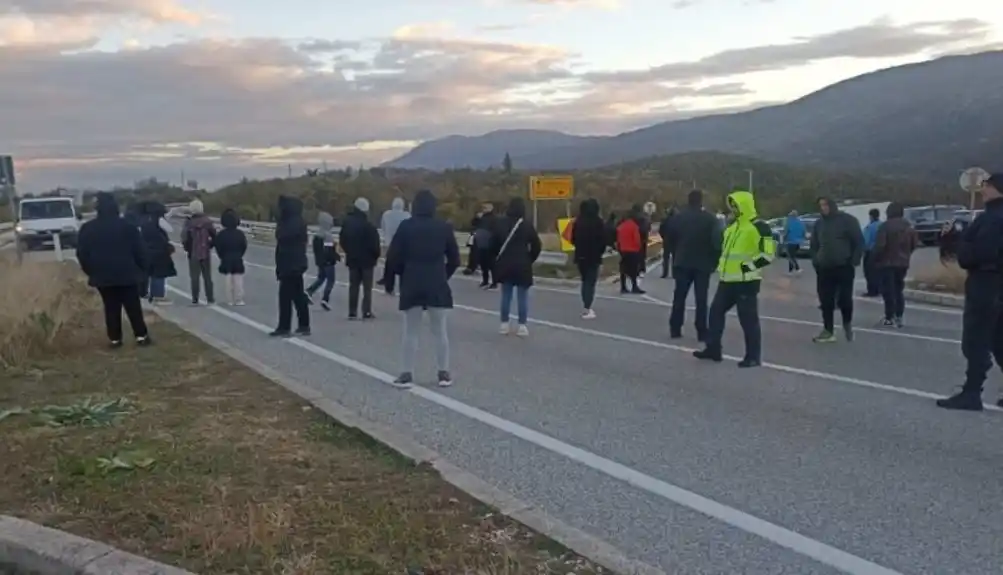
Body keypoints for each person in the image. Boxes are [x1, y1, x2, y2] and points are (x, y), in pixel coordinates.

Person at [937, 173, 1003, 411]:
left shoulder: (992, 219)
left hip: (986, 284)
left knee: (976, 340)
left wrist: (956, 240)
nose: (983, 190)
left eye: (987, 186)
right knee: (999, 339)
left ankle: (972, 393)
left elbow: (975, 255)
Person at [384, 189, 461, 388]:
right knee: (440, 331)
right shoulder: (443, 227)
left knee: (411, 331)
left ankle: (406, 373)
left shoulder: (406, 227)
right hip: (436, 281)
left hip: (412, 282)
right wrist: (444, 274)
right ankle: (443, 372)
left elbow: (393, 258)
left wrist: (394, 279)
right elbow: (455, 259)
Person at [693, 190, 775, 367]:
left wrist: (748, 267)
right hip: (727, 281)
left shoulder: (760, 226)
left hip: (746, 282)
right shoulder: (732, 227)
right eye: (732, 206)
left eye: (736, 205)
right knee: (714, 314)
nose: (733, 209)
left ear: (744, 205)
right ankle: (713, 349)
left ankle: (753, 357)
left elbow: (768, 254)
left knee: (748, 321)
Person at [75, 192, 151, 348]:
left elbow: (82, 254)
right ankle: (141, 335)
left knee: (110, 306)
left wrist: (91, 271)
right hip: (127, 273)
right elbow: (140, 251)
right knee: (133, 306)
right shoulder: (128, 227)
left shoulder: (88, 229)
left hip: (102, 274)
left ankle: (115, 338)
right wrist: (143, 270)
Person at [666, 190, 722, 341]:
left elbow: (668, 238)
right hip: (703, 264)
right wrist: (714, 261)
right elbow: (717, 242)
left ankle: (675, 328)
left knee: (679, 297)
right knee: (701, 300)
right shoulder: (710, 219)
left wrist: (675, 252)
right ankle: (702, 331)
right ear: (701, 201)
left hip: (682, 261)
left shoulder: (678, 218)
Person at [810, 197, 864, 343]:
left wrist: (854, 260)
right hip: (824, 268)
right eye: (821, 205)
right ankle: (828, 330)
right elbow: (814, 244)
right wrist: (816, 260)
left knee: (845, 300)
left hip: (844, 266)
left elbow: (858, 242)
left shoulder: (848, 221)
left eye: (826, 205)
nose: (823, 208)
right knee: (825, 300)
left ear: (832, 205)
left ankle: (847, 324)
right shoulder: (819, 224)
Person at [492, 197, 542, 336]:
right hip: (522, 264)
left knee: (506, 295)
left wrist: (497, 259)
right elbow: (537, 245)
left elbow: (494, 244)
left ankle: (504, 324)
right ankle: (522, 325)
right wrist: (529, 258)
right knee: (522, 297)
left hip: (505, 264)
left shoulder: (500, 223)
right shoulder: (526, 225)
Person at [871, 202, 917, 328]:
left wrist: (874, 258)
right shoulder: (909, 226)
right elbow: (914, 244)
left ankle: (889, 316)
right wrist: (906, 254)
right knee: (898, 289)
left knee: (888, 291)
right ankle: (899, 316)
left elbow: (880, 245)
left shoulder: (885, 226)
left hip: (887, 262)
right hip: (902, 262)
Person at [270, 196, 310, 336]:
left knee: (285, 296)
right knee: (298, 294)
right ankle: (304, 324)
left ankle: (284, 326)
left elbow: (282, 236)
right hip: (296, 262)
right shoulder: (298, 220)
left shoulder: (289, 222)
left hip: (289, 262)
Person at [339, 197, 381, 320]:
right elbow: (375, 245)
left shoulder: (347, 223)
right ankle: (366, 311)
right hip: (367, 261)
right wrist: (375, 256)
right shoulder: (369, 226)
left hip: (352, 259)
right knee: (367, 288)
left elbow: (343, 240)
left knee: (353, 286)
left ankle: (352, 312)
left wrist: (349, 252)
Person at [570, 198, 606, 319]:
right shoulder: (598, 222)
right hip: (594, 256)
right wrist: (600, 252)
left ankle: (586, 305)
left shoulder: (578, 222)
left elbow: (572, 239)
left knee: (585, 281)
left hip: (580, 256)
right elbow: (603, 240)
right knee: (590, 282)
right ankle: (587, 307)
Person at [139, 202, 176, 306]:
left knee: (149, 273)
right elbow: (170, 229)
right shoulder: (158, 219)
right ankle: (158, 296)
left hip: (146, 249)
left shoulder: (143, 219)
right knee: (159, 274)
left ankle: (149, 294)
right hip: (160, 250)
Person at [181, 199, 216, 305]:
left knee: (194, 277)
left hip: (193, 252)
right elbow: (214, 235)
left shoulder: (188, 222)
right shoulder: (207, 221)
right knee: (207, 277)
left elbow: (184, 238)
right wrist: (210, 245)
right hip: (205, 251)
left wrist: (187, 249)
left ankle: (195, 298)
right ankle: (210, 298)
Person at [306, 211, 340, 310]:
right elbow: (329, 250)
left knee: (321, 278)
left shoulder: (317, 235)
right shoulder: (327, 236)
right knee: (331, 280)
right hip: (328, 262)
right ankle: (325, 299)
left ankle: (309, 291)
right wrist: (336, 256)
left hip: (320, 261)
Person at [214, 208, 247, 306]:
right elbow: (244, 246)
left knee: (228, 279)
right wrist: (240, 254)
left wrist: (222, 256)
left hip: (225, 258)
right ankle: (238, 299)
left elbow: (218, 246)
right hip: (237, 257)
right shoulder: (240, 234)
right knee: (238, 279)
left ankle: (229, 299)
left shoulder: (221, 234)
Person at [378, 197, 410, 291]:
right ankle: (403, 287)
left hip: (390, 243)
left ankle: (389, 286)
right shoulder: (407, 215)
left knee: (390, 264)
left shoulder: (386, 215)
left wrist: (386, 235)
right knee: (402, 267)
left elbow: (383, 226)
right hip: (403, 245)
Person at [616, 205, 645, 294]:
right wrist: (639, 248)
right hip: (633, 250)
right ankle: (634, 287)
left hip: (623, 250)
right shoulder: (634, 226)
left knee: (623, 269)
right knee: (633, 270)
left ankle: (623, 287)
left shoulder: (621, 226)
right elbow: (637, 239)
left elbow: (618, 239)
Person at [473, 204, 498, 289]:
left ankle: (494, 282)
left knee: (492, 264)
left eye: (486, 208)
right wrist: (476, 218)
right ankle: (485, 280)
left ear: (491, 209)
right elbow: (474, 224)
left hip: (490, 243)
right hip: (481, 242)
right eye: (483, 208)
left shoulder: (494, 218)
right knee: (483, 263)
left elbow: (495, 229)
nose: (484, 209)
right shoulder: (481, 218)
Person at [861, 208, 882, 297]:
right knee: (878, 272)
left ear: (871, 216)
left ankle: (872, 291)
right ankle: (879, 289)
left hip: (870, 252)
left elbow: (866, 241)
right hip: (881, 251)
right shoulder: (882, 225)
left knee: (869, 272)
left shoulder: (870, 227)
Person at [658, 207, 676, 278]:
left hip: (667, 240)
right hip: (675, 241)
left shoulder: (665, 220)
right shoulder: (678, 220)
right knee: (675, 258)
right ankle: (675, 273)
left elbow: (660, 230)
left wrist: (663, 236)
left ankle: (665, 273)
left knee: (666, 258)